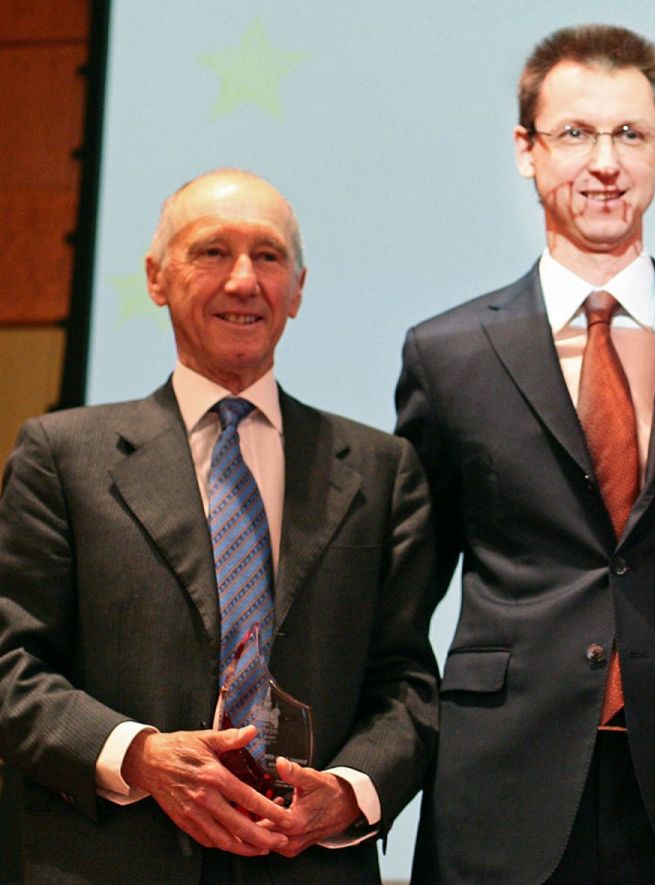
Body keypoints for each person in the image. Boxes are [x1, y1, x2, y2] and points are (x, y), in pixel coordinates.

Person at [394, 23, 655, 884]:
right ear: (527, 149)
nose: (604, 162)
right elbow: (398, 606)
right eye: (575, 133)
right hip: (499, 788)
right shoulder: (448, 355)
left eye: (629, 134)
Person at [0, 169, 439, 883]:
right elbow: (11, 665)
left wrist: (350, 790)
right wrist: (140, 754)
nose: (243, 280)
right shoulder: (62, 456)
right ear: (156, 277)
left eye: (268, 256)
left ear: (298, 289)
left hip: (307, 866)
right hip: (110, 859)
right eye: (212, 252)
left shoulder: (381, 471)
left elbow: (408, 684)